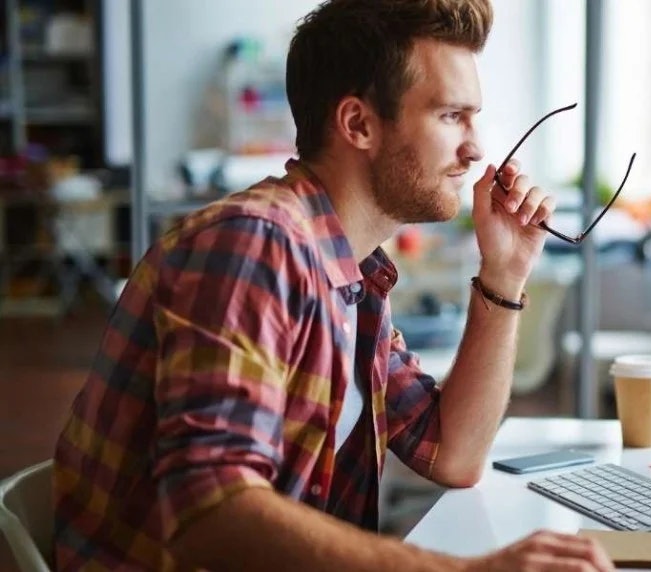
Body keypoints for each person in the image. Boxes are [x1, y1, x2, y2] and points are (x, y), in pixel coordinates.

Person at [52, 1, 613, 570]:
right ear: (358, 124)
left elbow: (452, 453)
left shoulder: (355, 272)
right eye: (451, 116)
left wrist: (505, 272)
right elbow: (209, 511)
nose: (474, 148)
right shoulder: (254, 244)